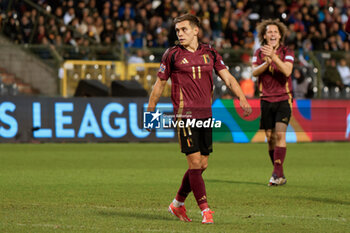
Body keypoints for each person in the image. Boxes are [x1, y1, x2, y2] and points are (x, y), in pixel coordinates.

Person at [146, 14, 251, 224]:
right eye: (177, 30)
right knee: (194, 162)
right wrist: (150, 111)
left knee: (202, 165)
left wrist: (242, 98)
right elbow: (160, 84)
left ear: (196, 30)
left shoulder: (210, 52)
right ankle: (206, 210)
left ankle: (177, 204)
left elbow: (228, 78)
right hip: (185, 115)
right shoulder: (172, 54)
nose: (180, 34)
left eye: (184, 29)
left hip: (206, 115)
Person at [252, 19, 294, 186]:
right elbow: (254, 72)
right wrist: (266, 62)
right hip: (266, 99)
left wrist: (274, 58)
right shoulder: (258, 53)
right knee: (270, 138)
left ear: (280, 35)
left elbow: (287, 71)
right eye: (270, 32)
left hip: (284, 98)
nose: (273, 34)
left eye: (275, 32)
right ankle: (280, 174)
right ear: (264, 35)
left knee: (280, 134)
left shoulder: (287, 51)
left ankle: (276, 174)